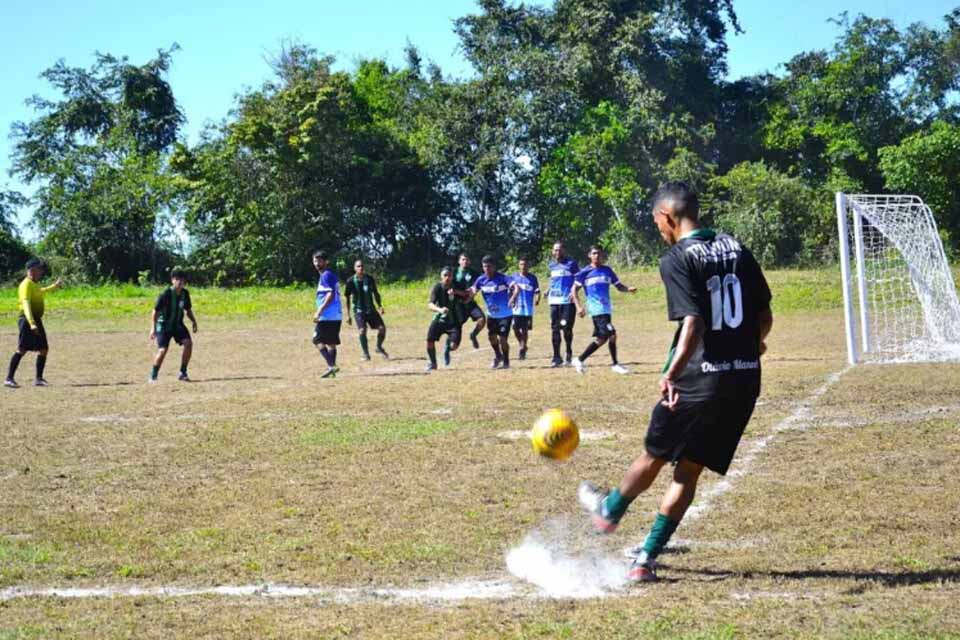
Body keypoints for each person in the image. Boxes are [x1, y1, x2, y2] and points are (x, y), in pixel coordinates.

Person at [578, 181, 773, 583]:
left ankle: (609, 513)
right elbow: (764, 312)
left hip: (699, 377)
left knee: (653, 454)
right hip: (743, 380)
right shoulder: (737, 248)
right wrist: (754, 345)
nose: (659, 231)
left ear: (667, 216)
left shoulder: (676, 258)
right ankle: (645, 558)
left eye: (657, 223)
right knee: (689, 471)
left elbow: (694, 321)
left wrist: (670, 372)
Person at [570, 246, 637, 374]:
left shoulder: (607, 270)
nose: (597, 256)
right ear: (589, 255)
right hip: (596, 309)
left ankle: (579, 359)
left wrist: (628, 289)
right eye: (594, 253)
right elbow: (574, 290)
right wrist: (578, 307)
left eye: (599, 254)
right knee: (611, 334)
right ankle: (615, 364)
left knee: (603, 338)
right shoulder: (584, 272)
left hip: (606, 309)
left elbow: (618, 285)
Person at [5, 258, 62, 388]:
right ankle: (9, 379)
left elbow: (40, 291)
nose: (41, 271)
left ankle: (39, 379)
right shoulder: (25, 284)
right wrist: (32, 323)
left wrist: (54, 286)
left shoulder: (33, 283)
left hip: (35, 319)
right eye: (39, 269)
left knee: (43, 349)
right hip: (27, 320)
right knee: (21, 349)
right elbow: (25, 304)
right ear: (32, 270)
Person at [149, 269, 198, 383]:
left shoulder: (185, 294)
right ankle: (153, 374)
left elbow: (188, 310)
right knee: (163, 350)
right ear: (172, 280)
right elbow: (155, 312)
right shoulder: (165, 294)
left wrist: (194, 321)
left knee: (188, 343)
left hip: (177, 325)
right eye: (177, 279)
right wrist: (153, 328)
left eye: (181, 279)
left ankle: (183, 372)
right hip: (164, 325)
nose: (179, 281)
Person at [468, 255, 514, 369]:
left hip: (506, 315)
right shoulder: (481, 280)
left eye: (489, 266)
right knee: (492, 337)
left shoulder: (503, 278)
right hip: (492, 315)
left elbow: (516, 287)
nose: (486, 269)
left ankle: (506, 361)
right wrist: (467, 297)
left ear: (494, 267)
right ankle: (498, 356)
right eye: (484, 266)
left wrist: (513, 298)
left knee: (503, 339)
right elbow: (473, 290)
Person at [344, 259, 388, 361]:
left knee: (382, 328)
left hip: (370, 309)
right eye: (358, 266)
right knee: (362, 330)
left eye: (362, 266)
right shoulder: (350, 281)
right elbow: (347, 298)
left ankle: (378, 347)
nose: (361, 268)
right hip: (359, 311)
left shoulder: (369, 279)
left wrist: (380, 306)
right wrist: (348, 315)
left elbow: (375, 293)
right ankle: (365, 354)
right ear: (355, 268)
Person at [546, 242, 579, 367]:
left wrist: (574, 291)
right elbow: (553, 280)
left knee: (566, 328)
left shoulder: (571, 264)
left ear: (564, 250)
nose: (557, 252)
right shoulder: (551, 265)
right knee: (554, 329)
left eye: (559, 250)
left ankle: (568, 351)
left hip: (567, 301)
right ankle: (556, 356)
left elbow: (578, 280)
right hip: (554, 301)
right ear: (552, 252)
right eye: (555, 250)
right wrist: (548, 290)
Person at [312, 250, 343, 379]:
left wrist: (319, 311)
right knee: (331, 342)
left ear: (326, 262)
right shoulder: (330, 275)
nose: (316, 263)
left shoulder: (326, 275)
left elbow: (330, 295)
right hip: (336, 315)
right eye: (315, 260)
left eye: (319, 260)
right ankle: (332, 368)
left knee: (317, 339)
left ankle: (331, 365)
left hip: (327, 316)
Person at [425, 267, 462, 371]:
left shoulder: (457, 285)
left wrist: (456, 293)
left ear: (452, 276)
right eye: (445, 275)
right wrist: (440, 310)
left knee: (453, 346)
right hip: (440, 319)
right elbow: (430, 304)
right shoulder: (437, 287)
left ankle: (447, 348)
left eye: (449, 275)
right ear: (441, 277)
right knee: (429, 340)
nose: (447, 278)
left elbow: (467, 294)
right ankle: (433, 364)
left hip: (454, 321)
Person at [452, 254, 486, 350]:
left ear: (470, 262)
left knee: (482, 319)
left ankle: (473, 335)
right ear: (459, 261)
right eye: (463, 259)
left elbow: (476, 288)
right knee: (456, 326)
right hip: (457, 304)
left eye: (467, 259)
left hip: (469, 302)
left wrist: (469, 298)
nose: (465, 261)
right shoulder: (453, 272)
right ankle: (451, 343)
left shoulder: (474, 273)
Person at [508, 257, 540, 360]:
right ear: (519, 265)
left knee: (525, 329)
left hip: (527, 308)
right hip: (516, 308)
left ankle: (522, 348)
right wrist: (510, 300)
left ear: (528, 266)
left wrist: (537, 299)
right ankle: (523, 345)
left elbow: (537, 291)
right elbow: (509, 291)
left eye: (525, 264)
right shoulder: (514, 277)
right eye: (521, 264)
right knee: (515, 328)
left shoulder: (533, 278)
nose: (523, 267)